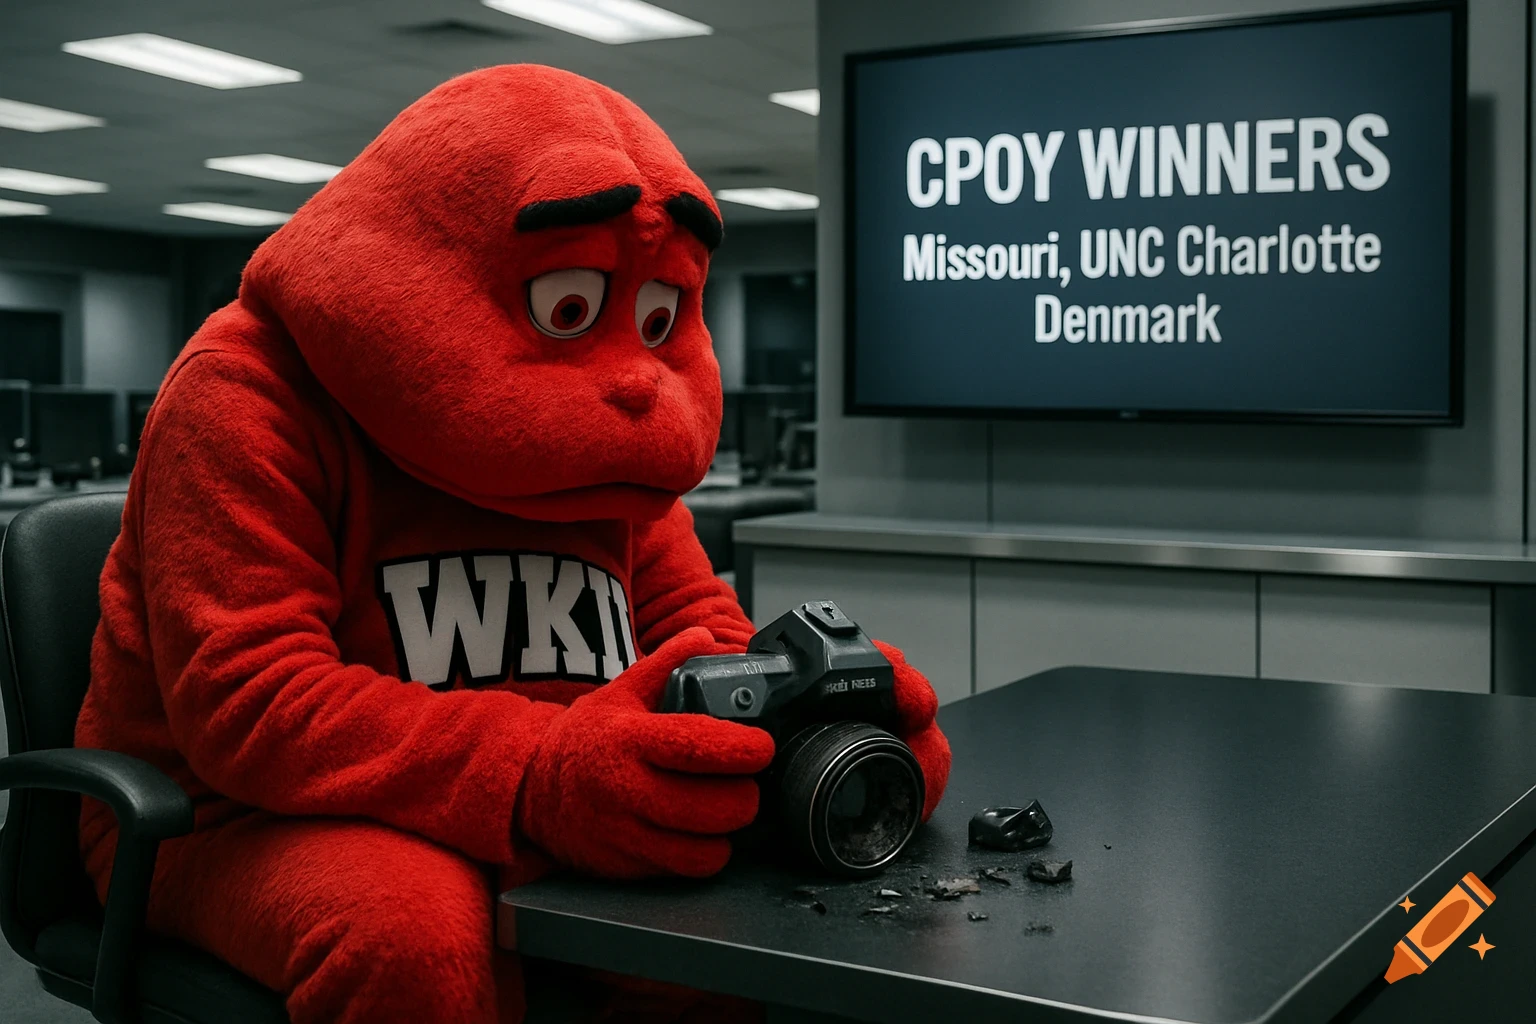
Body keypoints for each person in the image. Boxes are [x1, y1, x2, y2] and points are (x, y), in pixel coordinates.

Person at [75, 64, 950, 1024]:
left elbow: (693, 634)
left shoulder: (605, 459)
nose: (636, 380)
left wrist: (806, 724)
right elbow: (254, 703)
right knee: (411, 933)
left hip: (537, 804)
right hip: (234, 816)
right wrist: (537, 776)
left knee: (738, 919)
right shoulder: (243, 393)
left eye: (658, 320)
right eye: (570, 307)